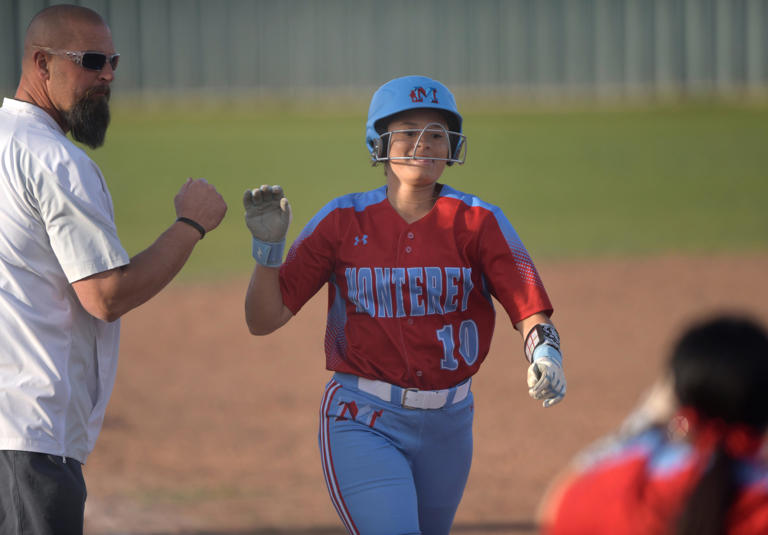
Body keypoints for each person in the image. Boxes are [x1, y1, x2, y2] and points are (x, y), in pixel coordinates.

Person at [243, 74, 566, 534]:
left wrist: (545, 352)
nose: (423, 145)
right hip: (362, 418)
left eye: (436, 134)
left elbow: (528, 308)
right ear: (380, 143)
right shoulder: (340, 221)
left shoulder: (479, 221)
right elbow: (263, 319)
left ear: (452, 144)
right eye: (408, 132)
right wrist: (268, 254)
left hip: (451, 425)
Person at [0, 5, 227, 533]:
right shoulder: (56, 162)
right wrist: (190, 225)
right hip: (31, 434)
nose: (107, 75)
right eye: (92, 61)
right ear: (42, 64)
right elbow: (106, 295)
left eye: (113, 62)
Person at [539, 315, 768, 535]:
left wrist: (646, 419)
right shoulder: (758, 503)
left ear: (675, 397)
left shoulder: (628, 488)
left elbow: (556, 507)